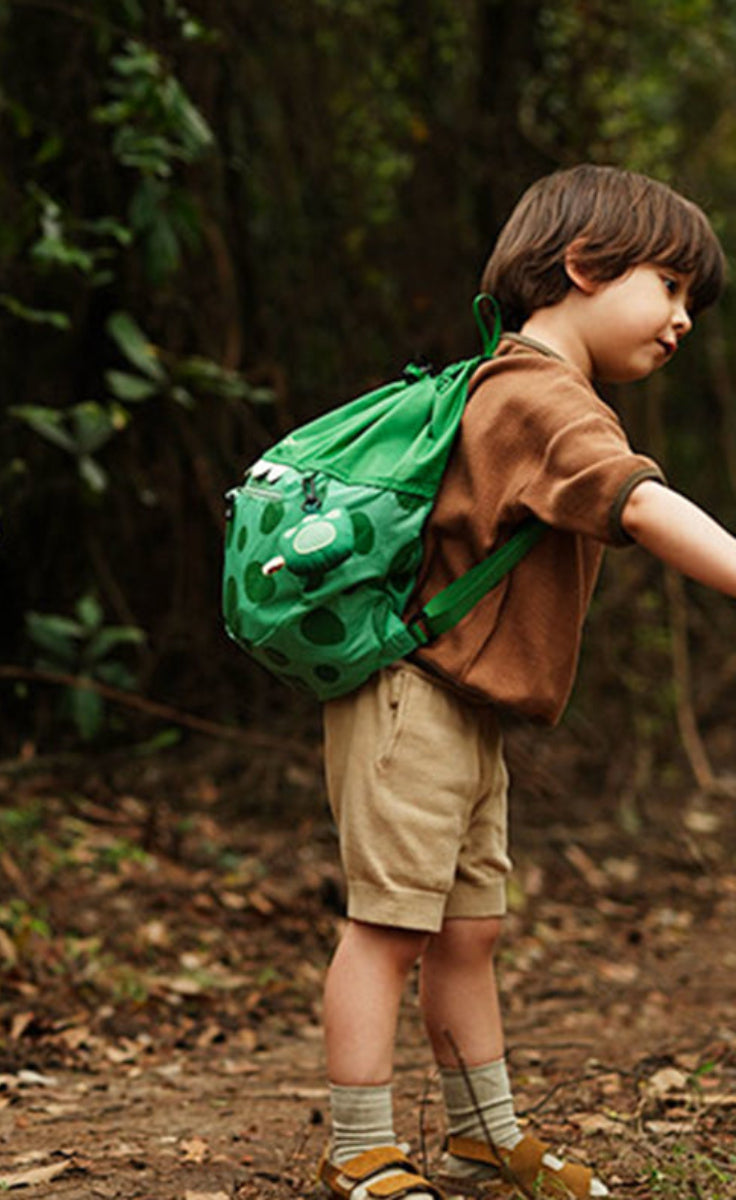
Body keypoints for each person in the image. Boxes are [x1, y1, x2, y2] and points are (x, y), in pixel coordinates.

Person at [318, 164, 728, 1200]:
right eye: (670, 287)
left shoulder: (531, 388)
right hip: (416, 700)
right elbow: (635, 503)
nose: (682, 319)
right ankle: (360, 1146)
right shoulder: (538, 393)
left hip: (464, 708)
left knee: (470, 928)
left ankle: (479, 1134)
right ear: (586, 267)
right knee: (390, 926)